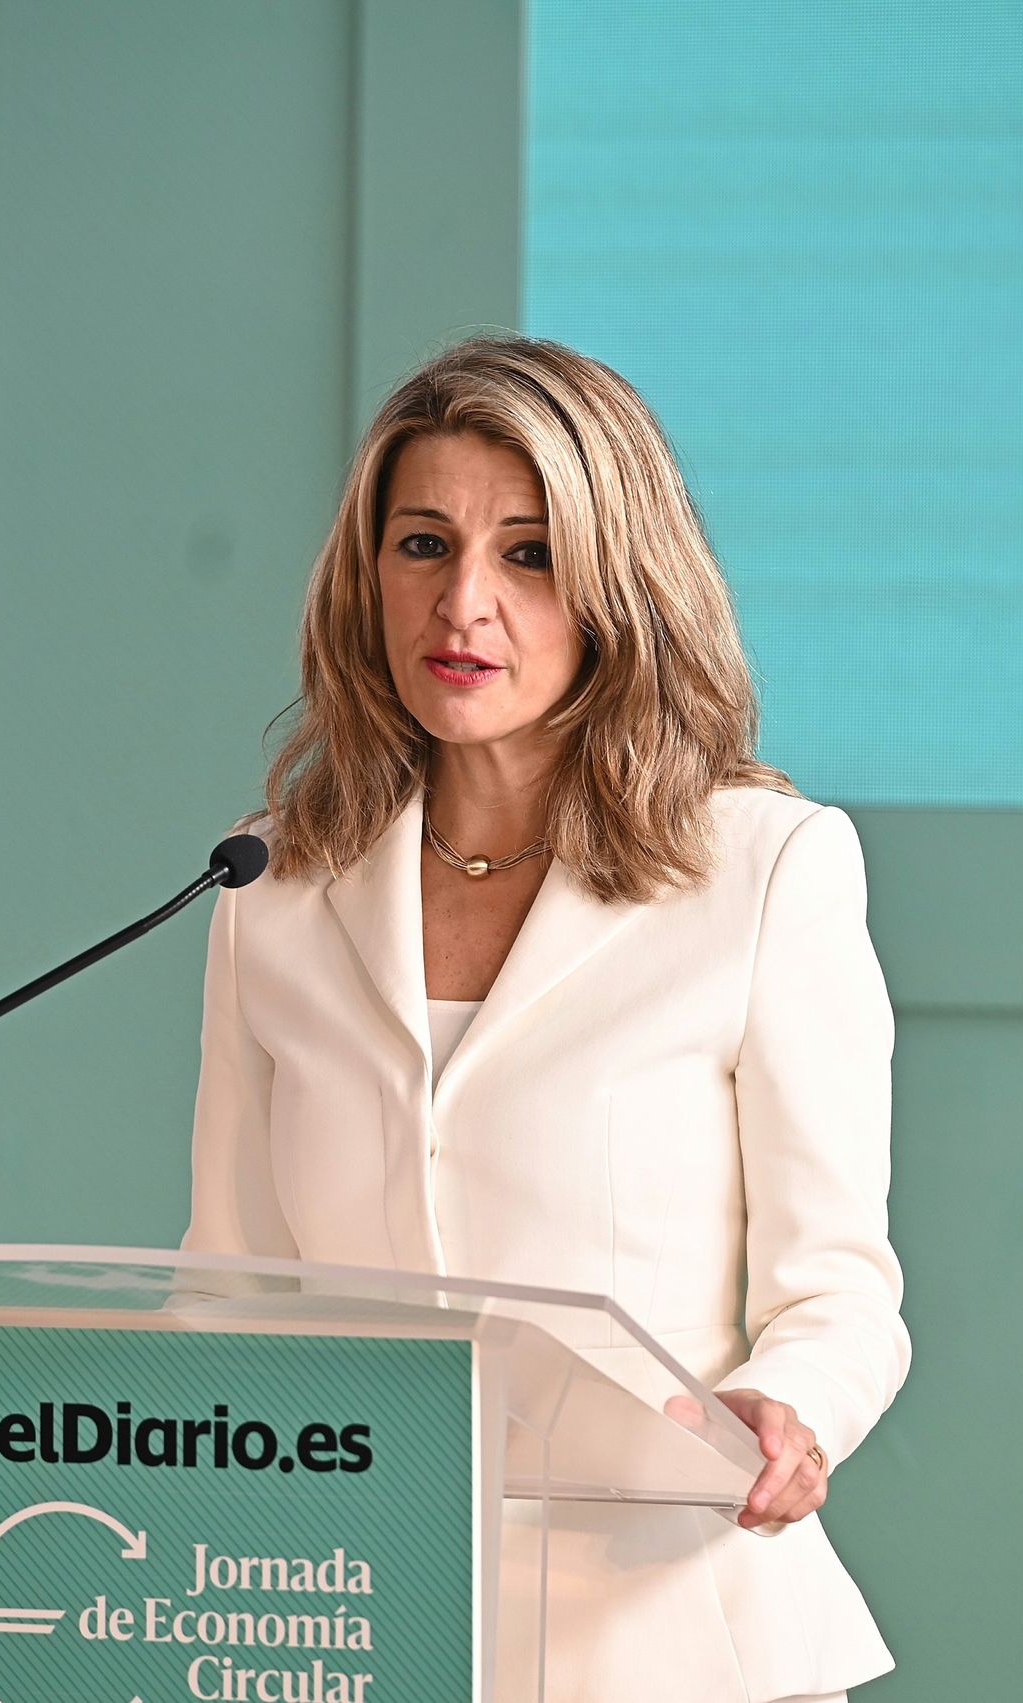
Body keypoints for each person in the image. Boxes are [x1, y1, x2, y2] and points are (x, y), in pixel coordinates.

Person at [181, 334, 909, 1701]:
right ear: (364, 578)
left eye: (529, 554)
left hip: (672, 1638)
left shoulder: (765, 871)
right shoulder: (273, 886)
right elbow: (231, 1287)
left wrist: (792, 1407)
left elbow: (838, 1288)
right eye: (422, 545)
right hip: (354, 1627)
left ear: (618, 587)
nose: (463, 602)